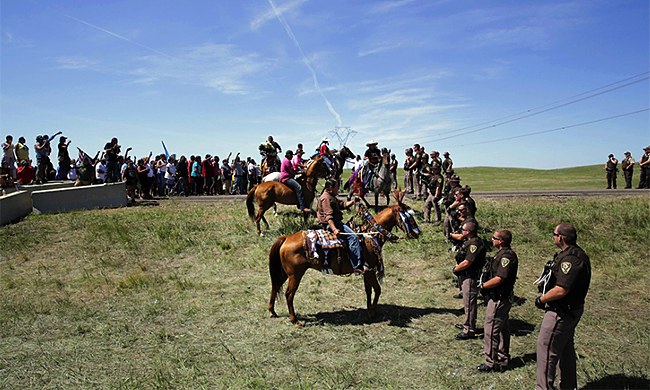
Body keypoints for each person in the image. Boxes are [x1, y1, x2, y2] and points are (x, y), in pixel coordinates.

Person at [535, 223, 591, 390]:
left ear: (560, 237)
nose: (553, 237)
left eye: (554, 234)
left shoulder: (571, 259)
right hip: (570, 311)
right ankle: (567, 386)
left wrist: (542, 299)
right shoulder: (575, 254)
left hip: (561, 312)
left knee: (546, 352)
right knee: (566, 350)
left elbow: (561, 290)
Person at [477, 229, 518, 372]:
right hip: (500, 297)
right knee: (502, 328)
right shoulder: (501, 254)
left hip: (499, 298)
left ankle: (491, 362)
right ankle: (502, 356)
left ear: (501, 241)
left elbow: (500, 278)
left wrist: (483, 286)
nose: (492, 239)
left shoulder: (506, 257)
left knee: (491, 329)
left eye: (494, 238)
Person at [317, 179, 367, 274]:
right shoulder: (326, 198)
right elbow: (329, 217)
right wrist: (334, 229)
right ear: (330, 188)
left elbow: (342, 204)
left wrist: (353, 201)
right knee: (353, 237)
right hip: (332, 224)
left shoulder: (331, 196)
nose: (338, 189)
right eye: (336, 187)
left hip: (336, 223)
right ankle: (357, 266)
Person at [452, 221, 486, 340]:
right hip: (466, 275)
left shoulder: (474, 244)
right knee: (467, 303)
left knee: (470, 304)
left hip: (471, 276)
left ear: (468, 232)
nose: (461, 232)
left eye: (463, 230)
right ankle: (468, 323)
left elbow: (468, 262)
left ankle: (469, 330)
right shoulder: (469, 242)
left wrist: (456, 269)